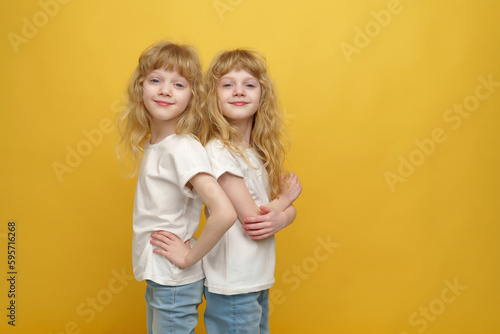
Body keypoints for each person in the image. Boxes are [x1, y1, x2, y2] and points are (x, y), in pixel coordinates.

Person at [153, 48, 302, 333]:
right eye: (227, 84)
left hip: (255, 277)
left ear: (262, 95)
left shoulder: (256, 152)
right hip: (233, 282)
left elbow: (270, 213)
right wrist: (285, 200)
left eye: (249, 84)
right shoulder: (218, 150)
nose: (238, 91)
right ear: (213, 96)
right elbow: (253, 218)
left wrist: (284, 215)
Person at [117, 41, 236, 334]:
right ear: (140, 87)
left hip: (174, 280)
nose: (165, 90)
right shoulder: (156, 144)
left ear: (193, 96)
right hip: (161, 276)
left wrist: (188, 257)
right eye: (156, 80)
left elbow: (224, 212)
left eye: (179, 84)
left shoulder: (182, 147)